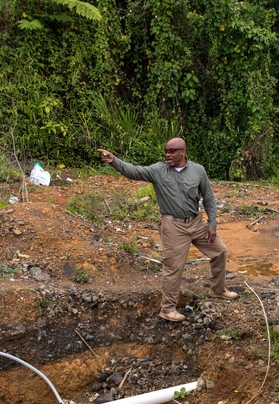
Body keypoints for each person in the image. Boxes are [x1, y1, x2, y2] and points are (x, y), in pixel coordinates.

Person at [98, 138, 238, 323]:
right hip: (173, 226)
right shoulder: (158, 170)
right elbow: (134, 171)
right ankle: (168, 309)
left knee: (219, 251)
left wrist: (212, 224)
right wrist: (114, 161)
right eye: (166, 151)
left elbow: (209, 199)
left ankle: (218, 290)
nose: (168, 154)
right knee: (173, 267)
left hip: (196, 223)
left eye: (172, 151)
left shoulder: (198, 171)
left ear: (183, 152)